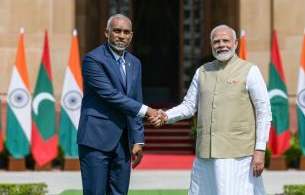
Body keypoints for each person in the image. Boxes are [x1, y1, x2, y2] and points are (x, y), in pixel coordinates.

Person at [151, 24, 272, 195]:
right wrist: (165, 115)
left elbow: (264, 112)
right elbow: (188, 106)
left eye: (226, 40)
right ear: (211, 45)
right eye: (217, 41)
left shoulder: (250, 70)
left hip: (237, 155)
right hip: (204, 155)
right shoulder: (202, 71)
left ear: (235, 43)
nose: (221, 44)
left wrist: (260, 150)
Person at [77, 14, 158, 195]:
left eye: (126, 32)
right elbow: (110, 95)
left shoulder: (135, 63)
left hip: (123, 142)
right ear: (107, 33)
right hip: (96, 139)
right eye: (117, 31)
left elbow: (135, 99)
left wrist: (137, 140)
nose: (121, 36)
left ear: (131, 35)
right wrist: (148, 111)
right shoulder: (93, 60)